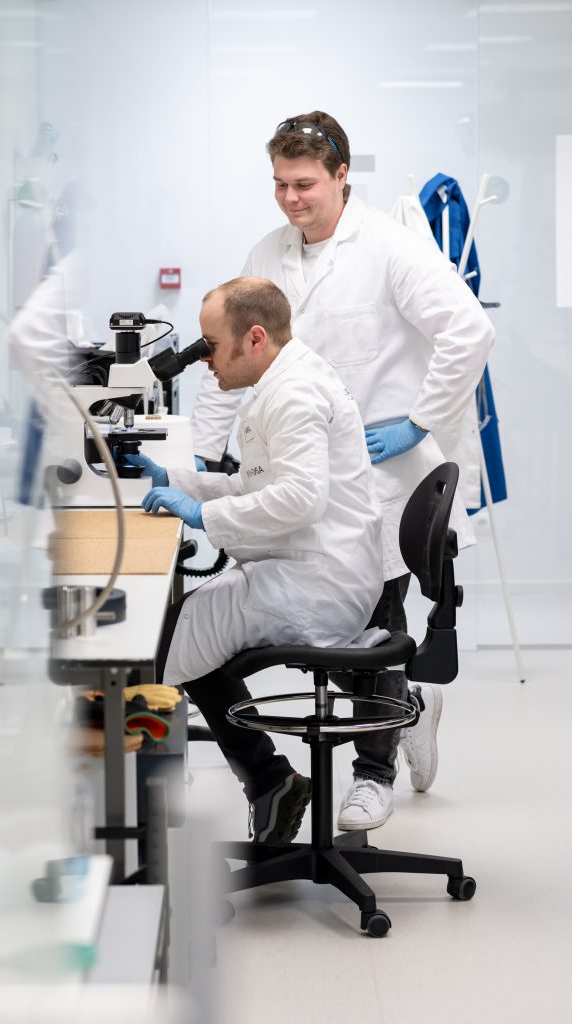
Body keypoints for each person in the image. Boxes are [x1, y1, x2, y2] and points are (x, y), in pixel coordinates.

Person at [190, 111, 495, 830]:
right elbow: (232, 348)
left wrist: (420, 419)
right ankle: (406, 710)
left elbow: (468, 329)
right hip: (297, 468)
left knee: (374, 621)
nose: (291, 198)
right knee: (321, 627)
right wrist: (203, 455)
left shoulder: (389, 248)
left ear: (340, 176)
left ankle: (372, 773)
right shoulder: (268, 249)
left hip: (381, 477)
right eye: (279, 184)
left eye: (304, 184)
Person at [130, 276, 384, 843]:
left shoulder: (292, 394)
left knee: (165, 639)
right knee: (190, 634)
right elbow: (256, 484)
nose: (203, 361)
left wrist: (202, 517)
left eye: (210, 346)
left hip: (315, 580)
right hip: (309, 564)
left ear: (255, 338)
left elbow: (299, 498)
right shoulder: (285, 379)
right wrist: (179, 482)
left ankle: (262, 781)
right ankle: (269, 779)